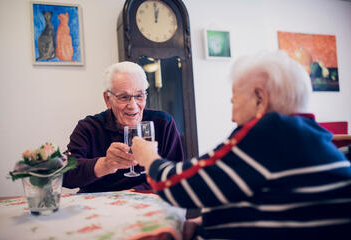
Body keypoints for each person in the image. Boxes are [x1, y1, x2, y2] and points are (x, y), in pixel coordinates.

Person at [131, 50, 351, 239]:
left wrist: (149, 157)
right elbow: (266, 201)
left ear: (260, 98)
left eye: (235, 98)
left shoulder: (270, 132)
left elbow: (179, 185)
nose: (232, 109)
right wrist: (203, 221)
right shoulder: (308, 136)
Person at [63, 61, 184, 193]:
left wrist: (133, 192)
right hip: (101, 206)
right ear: (107, 99)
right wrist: (105, 164)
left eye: (139, 96)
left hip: (148, 203)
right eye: (124, 97)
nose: (133, 105)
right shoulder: (89, 127)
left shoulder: (163, 123)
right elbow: (66, 176)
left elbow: (175, 176)